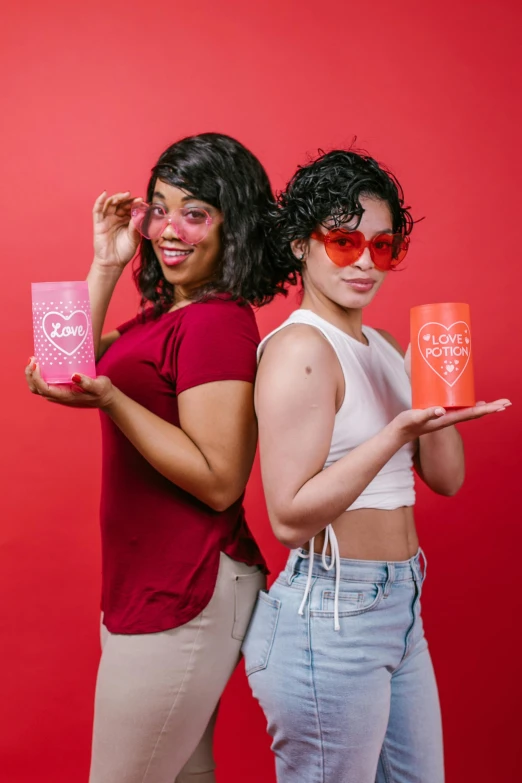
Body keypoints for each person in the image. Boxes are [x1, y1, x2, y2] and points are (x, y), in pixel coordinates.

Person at [25, 132, 293, 783]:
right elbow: (61, 374)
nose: (170, 229)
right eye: (160, 208)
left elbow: (221, 480)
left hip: (191, 583)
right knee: (181, 773)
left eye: (195, 212)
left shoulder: (216, 322)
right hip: (151, 586)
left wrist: (115, 400)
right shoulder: (165, 315)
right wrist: (107, 262)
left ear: (234, 225)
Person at [241, 149, 511, 783]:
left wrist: (435, 402)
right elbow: (287, 517)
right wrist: (396, 433)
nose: (365, 261)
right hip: (331, 617)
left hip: (400, 605)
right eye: (343, 241)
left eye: (383, 246)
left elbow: (445, 481)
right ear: (300, 246)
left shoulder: (385, 345)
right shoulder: (300, 350)